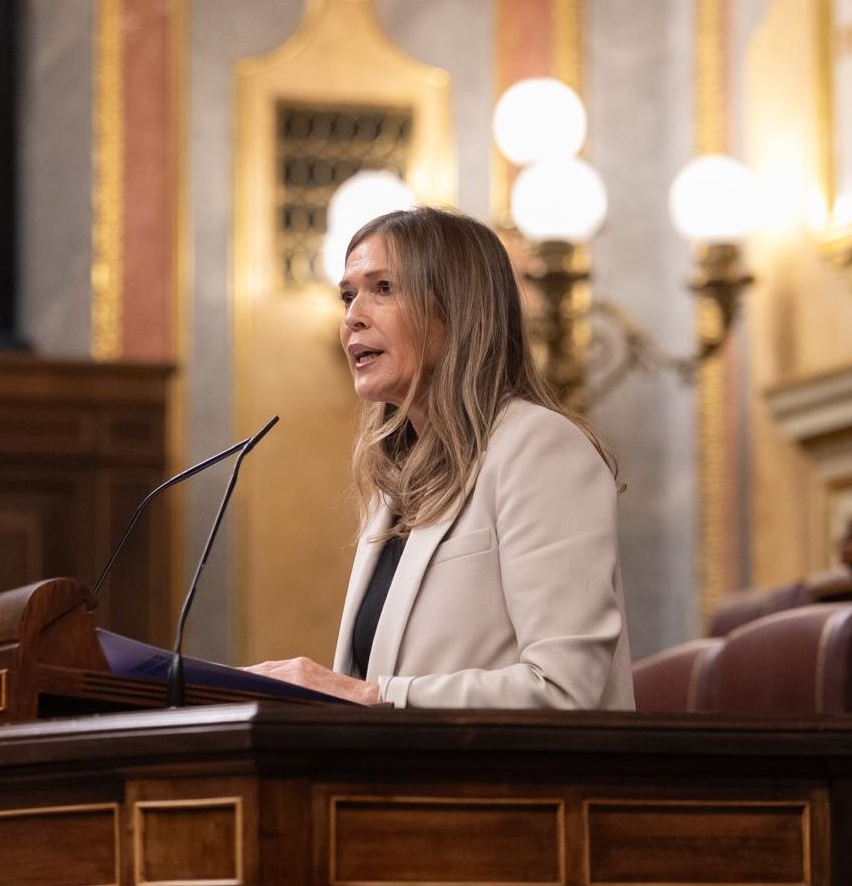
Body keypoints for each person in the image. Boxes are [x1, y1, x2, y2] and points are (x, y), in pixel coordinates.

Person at [246, 206, 635, 710]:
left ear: (458, 308)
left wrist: (367, 696)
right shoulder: (396, 486)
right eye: (348, 295)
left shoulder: (541, 448)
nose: (352, 316)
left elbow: (563, 689)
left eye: (383, 288)